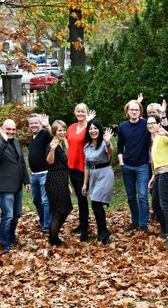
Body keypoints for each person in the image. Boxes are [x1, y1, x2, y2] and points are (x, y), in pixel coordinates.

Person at [0, 119, 30, 254]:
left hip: (17, 185)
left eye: (13, 129)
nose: (11, 132)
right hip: (5, 187)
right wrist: (4, 140)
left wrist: (27, 181)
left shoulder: (16, 141)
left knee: (17, 214)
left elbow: (21, 163)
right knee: (7, 216)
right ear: (2, 129)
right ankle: (5, 242)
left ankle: (11, 236)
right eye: (8, 129)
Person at [117, 100, 151, 232]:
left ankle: (143, 224)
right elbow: (119, 146)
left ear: (140, 111)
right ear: (127, 112)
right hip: (127, 166)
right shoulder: (123, 126)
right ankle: (135, 221)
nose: (134, 112)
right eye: (132, 110)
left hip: (142, 166)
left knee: (142, 196)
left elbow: (160, 129)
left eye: (137, 110)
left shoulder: (145, 124)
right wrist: (121, 163)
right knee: (131, 196)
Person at [146, 115, 168, 248]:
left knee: (164, 204)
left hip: (167, 173)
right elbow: (156, 161)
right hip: (159, 174)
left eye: (153, 123)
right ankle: (165, 230)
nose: (151, 125)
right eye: (148, 124)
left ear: (159, 124)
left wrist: (167, 132)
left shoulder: (162, 134)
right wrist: (153, 176)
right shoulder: (153, 139)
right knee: (155, 204)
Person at [82, 120, 115, 244]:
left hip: (105, 173)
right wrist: (85, 184)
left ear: (99, 130)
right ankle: (103, 231)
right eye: (90, 129)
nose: (93, 131)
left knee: (96, 203)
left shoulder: (103, 143)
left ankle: (103, 232)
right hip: (93, 176)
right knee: (96, 204)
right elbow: (87, 166)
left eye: (95, 128)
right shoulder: (86, 146)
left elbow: (111, 151)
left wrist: (107, 143)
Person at [67, 103, 95, 241]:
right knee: (79, 198)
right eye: (78, 111)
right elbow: (65, 142)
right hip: (71, 167)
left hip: (83, 168)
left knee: (83, 199)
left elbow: (93, 139)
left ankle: (85, 232)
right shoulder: (71, 127)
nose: (80, 114)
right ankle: (82, 224)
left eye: (83, 111)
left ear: (87, 113)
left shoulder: (89, 128)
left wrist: (89, 122)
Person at [45, 120, 72, 246]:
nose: (62, 132)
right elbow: (49, 162)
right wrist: (52, 150)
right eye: (59, 130)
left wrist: (67, 184)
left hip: (62, 179)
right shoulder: (53, 144)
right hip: (55, 180)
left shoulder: (61, 143)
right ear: (54, 132)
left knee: (65, 209)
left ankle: (54, 237)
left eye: (63, 130)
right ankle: (54, 240)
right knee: (59, 211)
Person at [28, 113, 53, 233]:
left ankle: (48, 226)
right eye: (31, 123)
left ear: (39, 124)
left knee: (45, 201)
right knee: (36, 200)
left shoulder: (44, 134)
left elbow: (55, 136)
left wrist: (47, 126)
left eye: (35, 123)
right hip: (34, 176)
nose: (33, 125)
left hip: (44, 174)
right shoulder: (31, 138)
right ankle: (43, 222)